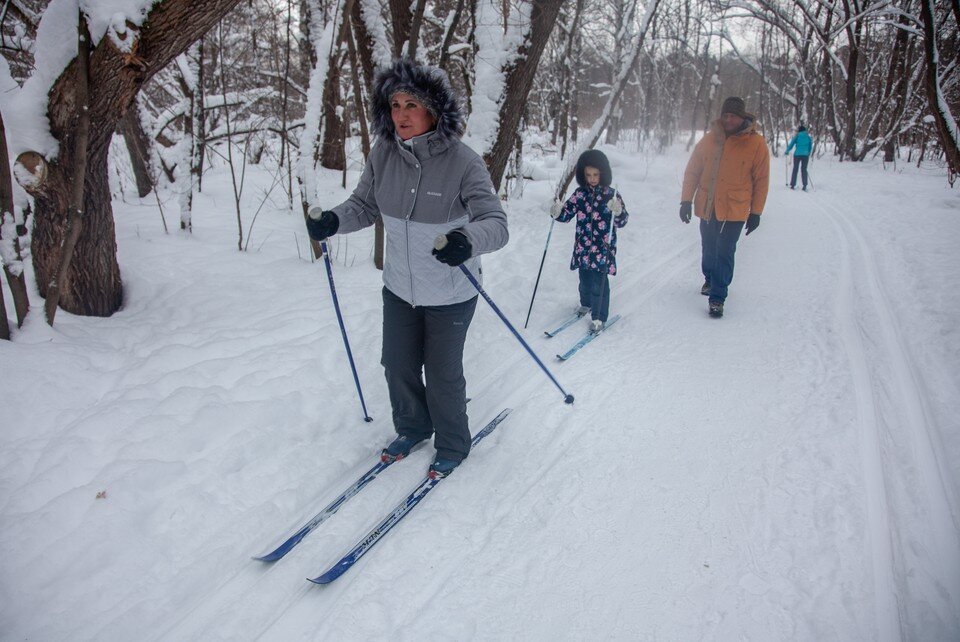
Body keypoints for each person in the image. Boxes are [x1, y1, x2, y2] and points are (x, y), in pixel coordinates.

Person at [305, 59, 508, 478]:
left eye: (411, 104)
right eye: (394, 105)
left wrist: (465, 241)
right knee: (395, 363)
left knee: (441, 371)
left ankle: (452, 442)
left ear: (433, 109)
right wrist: (332, 222)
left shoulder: (464, 161)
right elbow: (364, 206)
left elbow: (496, 223)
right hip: (399, 288)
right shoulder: (383, 154)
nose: (401, 114)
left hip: (451, 292)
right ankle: (413, 427)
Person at [680, 96, 770, 318]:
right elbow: (693, 171)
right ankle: (710, 279)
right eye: (726, 115)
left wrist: (756, 212)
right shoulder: (709, 140)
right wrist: (685, 201)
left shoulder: (756, 143)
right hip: (708, 205)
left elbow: (761, 179)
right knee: (709, 248)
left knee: (725, 251)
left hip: (735, 209)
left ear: (742, 117)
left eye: (734, 116)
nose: (729, 119)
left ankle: (718, 297)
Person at [550, 149, 629, 333]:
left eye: (596, 174)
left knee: (598, 283)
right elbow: (566, 214)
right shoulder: (580, 194)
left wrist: (618, 211)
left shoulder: (612, 195)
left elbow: (622, 221)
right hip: (583, 248)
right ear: (582, 175)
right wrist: (557, 212)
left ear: (603, 173)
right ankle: (586, 304)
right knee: (584, 280)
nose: (592, 178)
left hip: (603, 248)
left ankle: (599, 317)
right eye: (588, 175)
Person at [785, 125, 813, 190]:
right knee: (804, 169)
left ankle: (792, 185)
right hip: (805, 155)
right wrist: (808, 152)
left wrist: (787, 151)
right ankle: (805, 185)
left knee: (795, 169)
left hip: (797, 154)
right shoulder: (808, 137)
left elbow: (791, 144)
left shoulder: (797, 136)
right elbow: (810, 146)